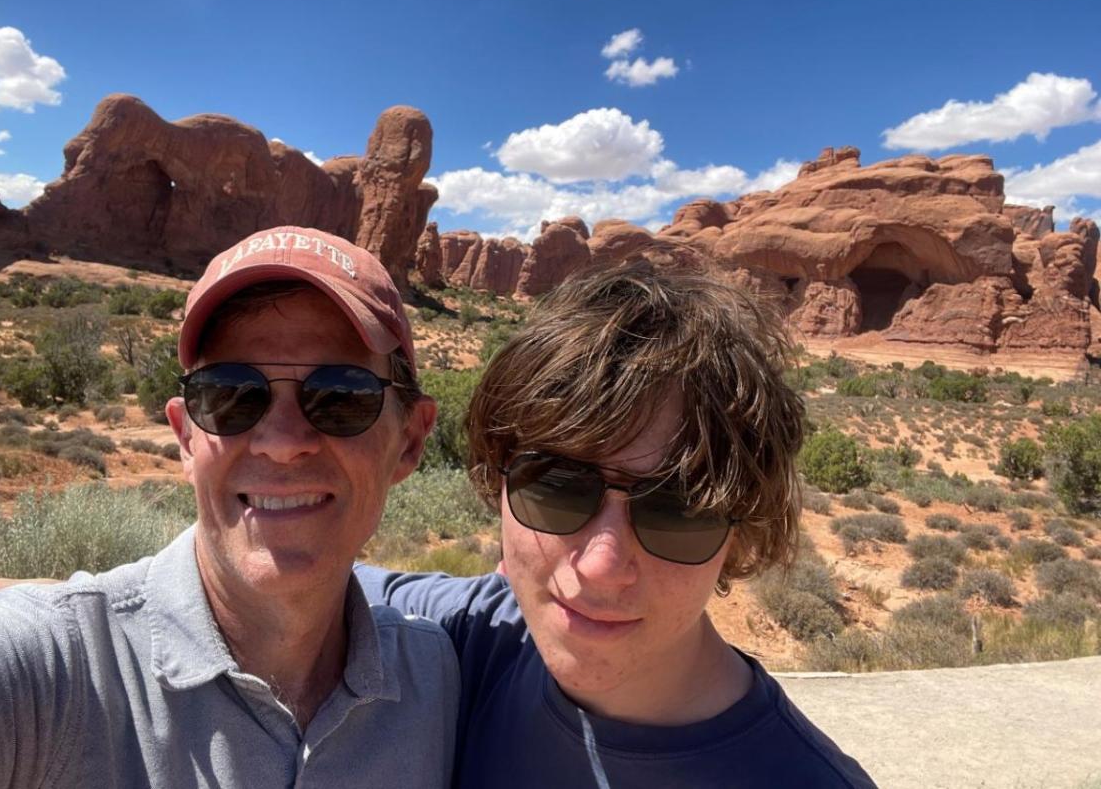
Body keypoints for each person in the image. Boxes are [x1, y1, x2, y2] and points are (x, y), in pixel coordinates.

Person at [0, 226, 459, 788]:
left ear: (410, 439)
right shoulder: (44, 672)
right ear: (186, 437)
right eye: (231, 394)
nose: (282, 442)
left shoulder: (436, 675)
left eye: (341, 396)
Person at [356, 254, 877, 787]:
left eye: (676, 511)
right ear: (501, 485)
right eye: (556, 487)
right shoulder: (481, 634)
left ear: (738, 539)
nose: (602, 566)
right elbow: (313, 581)